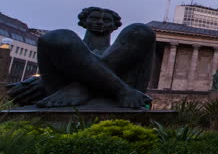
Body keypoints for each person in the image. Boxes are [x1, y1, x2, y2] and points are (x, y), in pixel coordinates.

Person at [6, 7, 154, 108]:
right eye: (95, 18)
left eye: (106, 20)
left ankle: (78, 89)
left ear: (115, 26)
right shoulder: (66, 48)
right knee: (57, 36)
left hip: (68, 91)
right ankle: (121, 90)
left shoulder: (126, 53)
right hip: (123, 93)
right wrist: (42, 80)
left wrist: (43, 82)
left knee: (140, 30)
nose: (100, 22)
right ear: (83, 22)